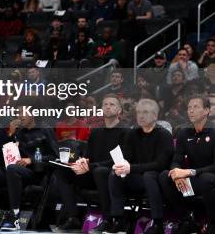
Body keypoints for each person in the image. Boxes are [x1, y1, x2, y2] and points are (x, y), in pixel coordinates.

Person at [54, 95, 127, 232]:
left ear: (119, 110)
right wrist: (82, 162)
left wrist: (89, 166)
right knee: (62, 171)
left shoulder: (125, 131)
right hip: (93, 172)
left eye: (112, 104)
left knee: (101, 172)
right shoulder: (96, 132)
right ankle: (73, 217)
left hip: (113, 174)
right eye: (105, 104)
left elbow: (118, 160)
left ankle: (108, 219)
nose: (108, 107)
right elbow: (88, 156)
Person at [106, 99, 173, 234]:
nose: (141, 116)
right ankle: (118, 219)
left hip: (157, 176)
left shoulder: (164, 135)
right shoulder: (133, 133)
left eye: (146, 112)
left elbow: (161, 164)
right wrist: (121, 164)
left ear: (155, 116)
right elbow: (127, 156)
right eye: (139, 112)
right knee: (114, 174)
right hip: (137, 177)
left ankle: (157, 223)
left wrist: (131, 168)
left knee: (149, 175)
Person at [159, 96, 215, 234]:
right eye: (189, 107)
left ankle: (212, 223)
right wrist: (176, 173)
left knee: (206, 178)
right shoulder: (183, 132)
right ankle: (186, 219)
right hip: (195, 181)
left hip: (209, 178)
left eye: (196, 107)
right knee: (165, 176)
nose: (191, 110)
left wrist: (189, 172)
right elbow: (176, 159)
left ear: (207, 110)